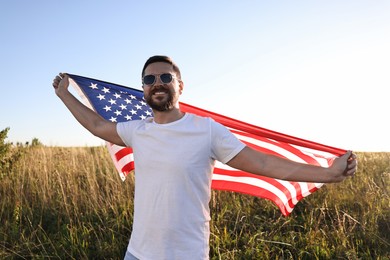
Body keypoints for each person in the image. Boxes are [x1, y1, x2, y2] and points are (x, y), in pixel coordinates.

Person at [52, 55, 357, 260]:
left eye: (165, 77)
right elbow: (97, 125)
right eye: (149, 79)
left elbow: (262, 163)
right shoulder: (137, 131)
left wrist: (329, 174)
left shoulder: (207, 130)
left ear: (179, 86)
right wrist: (64, 94)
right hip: (138, 253)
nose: (157, 83)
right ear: (143, 89)